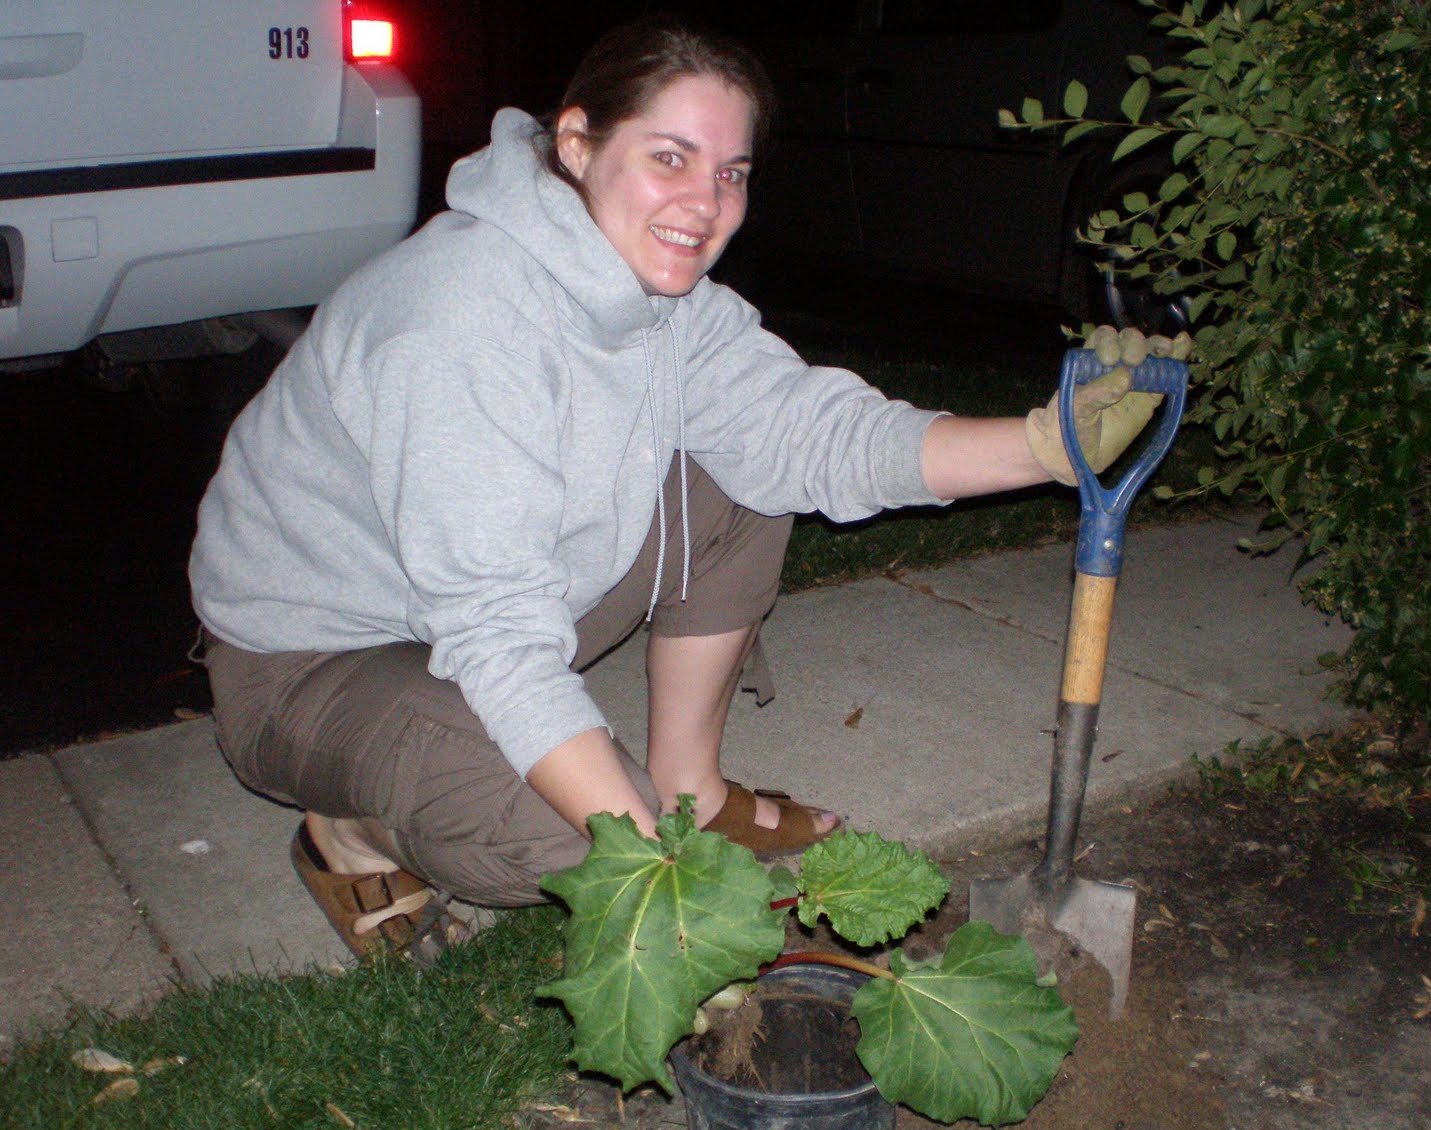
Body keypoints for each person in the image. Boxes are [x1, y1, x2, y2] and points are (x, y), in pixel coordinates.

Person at [188, 15, 1186, 960]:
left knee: (749, 465)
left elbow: (810, 432)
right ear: (576, 144)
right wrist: (667, 873)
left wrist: (1042, 444)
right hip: (314, 662)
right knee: (578, 842)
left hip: (463, 606)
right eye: (669, 157)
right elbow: (497, 633)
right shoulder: (462, 323)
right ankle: (353, 834)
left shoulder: (663, 301)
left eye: (731, 172)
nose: (704, 205)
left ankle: (690, 785)